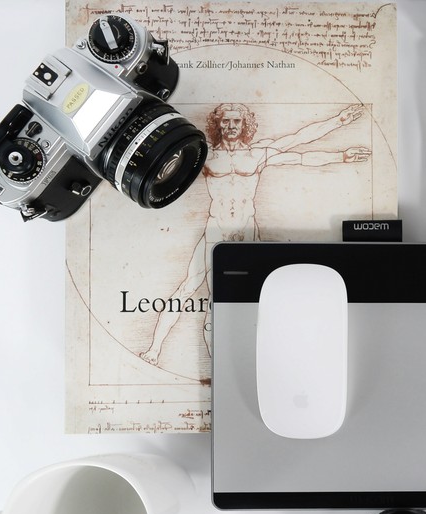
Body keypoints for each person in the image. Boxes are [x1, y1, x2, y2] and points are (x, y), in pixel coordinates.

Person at [139, 103, 371, 366]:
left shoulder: (258, 154)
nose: (230, 127)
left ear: (245, 125)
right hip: (216, 230)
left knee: (258, 294)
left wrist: (340, 135)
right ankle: (155, 349)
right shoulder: (206, 156)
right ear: (217, 125)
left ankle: (270, 356)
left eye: (236, 121)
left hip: (248, 230)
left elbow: (299, 148)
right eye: (225, 122)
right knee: (188, 288)